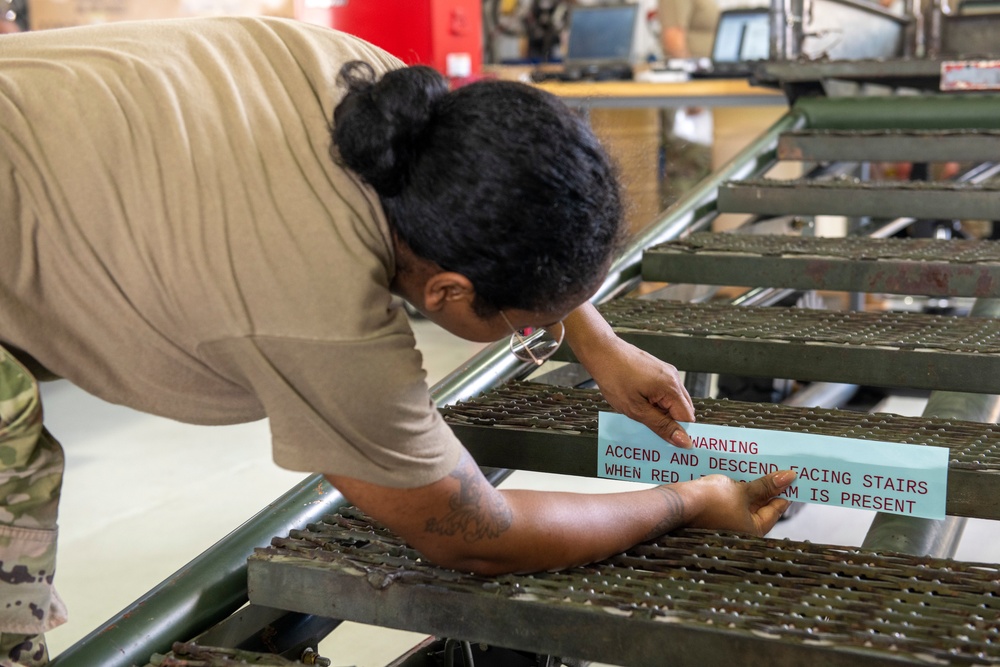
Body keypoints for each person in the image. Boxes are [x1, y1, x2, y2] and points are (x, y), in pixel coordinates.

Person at [0, 17, 794, 664]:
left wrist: (594, 337)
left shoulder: (384, 94)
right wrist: (689, 500)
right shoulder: (313, 301)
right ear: (447, 293)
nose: (539, 331)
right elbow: (478, 536)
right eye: (524, 324)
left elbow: (509, 188)